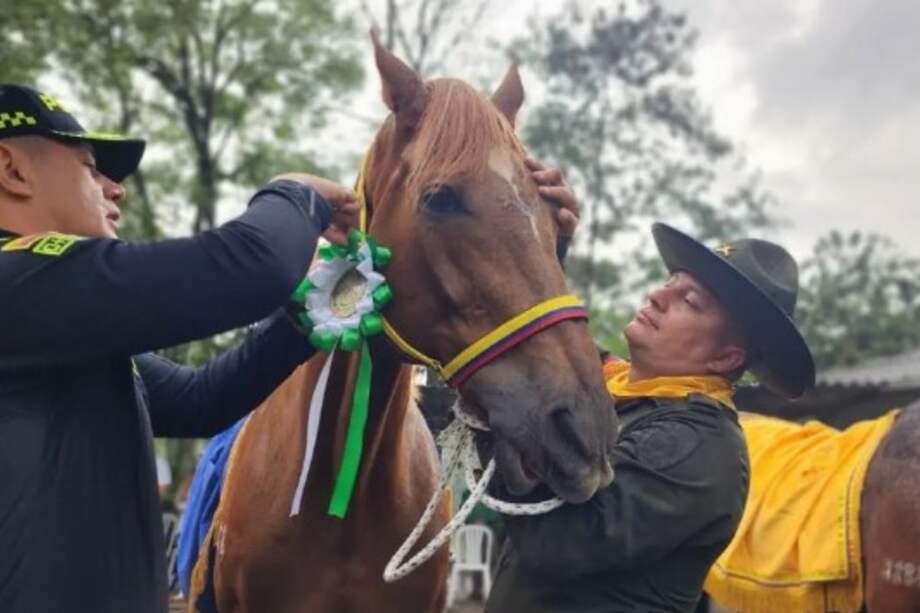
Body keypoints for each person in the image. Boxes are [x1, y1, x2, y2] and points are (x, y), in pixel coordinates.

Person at [0, 84, 578, 613]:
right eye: (88, 166)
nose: (113, 186)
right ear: (11, 169)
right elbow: (247, 268)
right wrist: (295, 194)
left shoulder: (60, 328)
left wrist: (322, 309)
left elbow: (200, 399)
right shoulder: (19, 281)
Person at [485, 222, 816, 613]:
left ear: (726, 358)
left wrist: (492, 396)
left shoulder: (697, 445)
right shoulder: (617, 389)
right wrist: (546, 236)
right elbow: (541, 341)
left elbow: (558, 540)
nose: (657, 295)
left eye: (690, 301)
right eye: (669, 282)